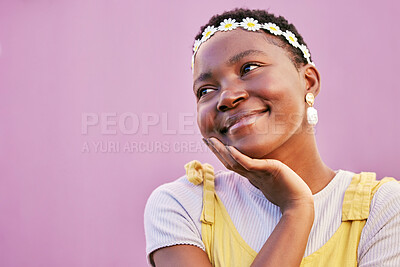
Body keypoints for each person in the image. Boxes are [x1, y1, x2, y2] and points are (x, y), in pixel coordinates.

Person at [144, 8, 400, 266]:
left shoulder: (382, 209)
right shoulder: (182, 205)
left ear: (308, 82)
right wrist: (296, 210)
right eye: (206, 90)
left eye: (249, 68)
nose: (227, 97)